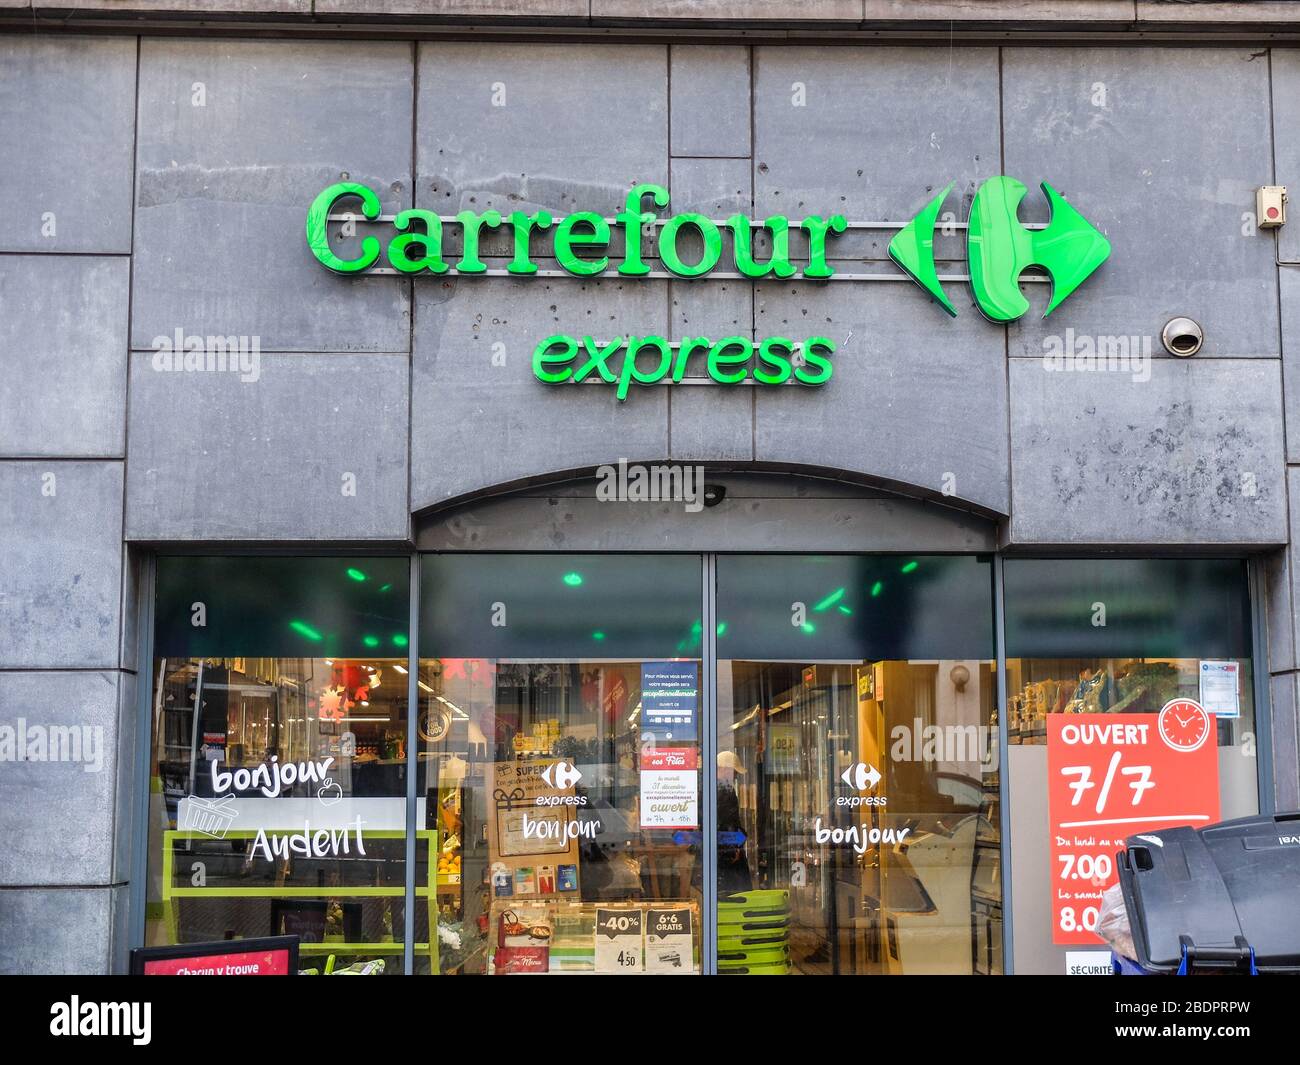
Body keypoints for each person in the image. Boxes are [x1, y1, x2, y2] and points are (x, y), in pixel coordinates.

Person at [716, 750, 752, 895]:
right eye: (734, 771)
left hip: (722, 847)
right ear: (724, 769)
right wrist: (733, 849)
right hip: (727, 849)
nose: (736, 776)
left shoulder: (708, 788)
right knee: (737, 892)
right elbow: (728, 821)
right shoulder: (725, 790)